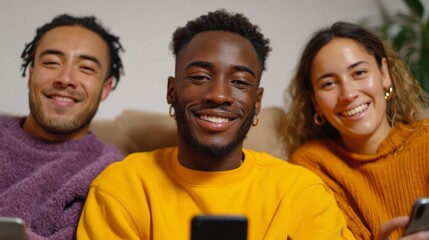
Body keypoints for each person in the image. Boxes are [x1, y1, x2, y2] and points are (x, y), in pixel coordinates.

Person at [77, 9, 355, 240]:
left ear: (257, 102)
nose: (219, 95)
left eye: (240, 82)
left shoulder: (300, 193)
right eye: (199, 77)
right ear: (172, 91)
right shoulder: (121, 187)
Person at [282, 21, 429, 240]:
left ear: (384, 74)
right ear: (315, 102)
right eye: (329, 83)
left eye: (359, 72)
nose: (348, 94)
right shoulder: (313, 164)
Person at [0, 14, 125, 239]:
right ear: (30, 76)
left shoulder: (108, 171)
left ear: (105, 88)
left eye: (86, 68)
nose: (66, 79)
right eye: (51, 63)